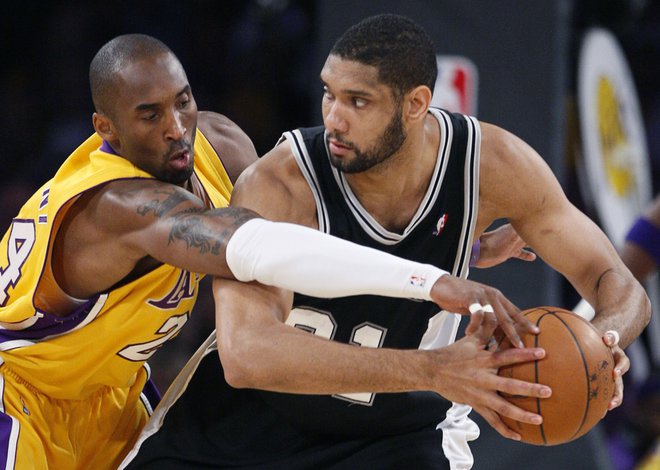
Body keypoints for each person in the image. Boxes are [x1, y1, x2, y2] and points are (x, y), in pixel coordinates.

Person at [122, 14, 651, 470]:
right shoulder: (282, 182)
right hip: (247, 426)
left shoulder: (493, 167)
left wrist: (601, 345)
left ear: (416, 103)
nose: (333, 117)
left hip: (397, 437)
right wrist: (433, 370)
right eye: (329, 94)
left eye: (358, 101)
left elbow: (621, 288)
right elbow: (246, 354)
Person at [0, 33, 544, 470]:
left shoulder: (219, 144)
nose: (176, 128)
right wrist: (432, 280)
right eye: (149, 115)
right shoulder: (120, 204)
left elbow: (307, 237)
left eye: (182, 101)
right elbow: (261, 247)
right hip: (19, 397)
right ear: (106, 128)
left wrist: (460, 244)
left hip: (113, 396)